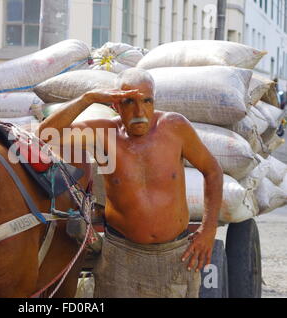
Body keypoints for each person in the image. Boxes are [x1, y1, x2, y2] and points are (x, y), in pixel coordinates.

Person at [37, 68, 223, 298]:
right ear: (115, 105)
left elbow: (212, 170)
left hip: (175, 254)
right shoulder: (103, 132)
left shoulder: (175, 126)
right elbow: (44, 136)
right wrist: (89, 98)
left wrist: (208, 229)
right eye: (129, 102)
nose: (140, 111)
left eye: (147, 101)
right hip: (121, 257)